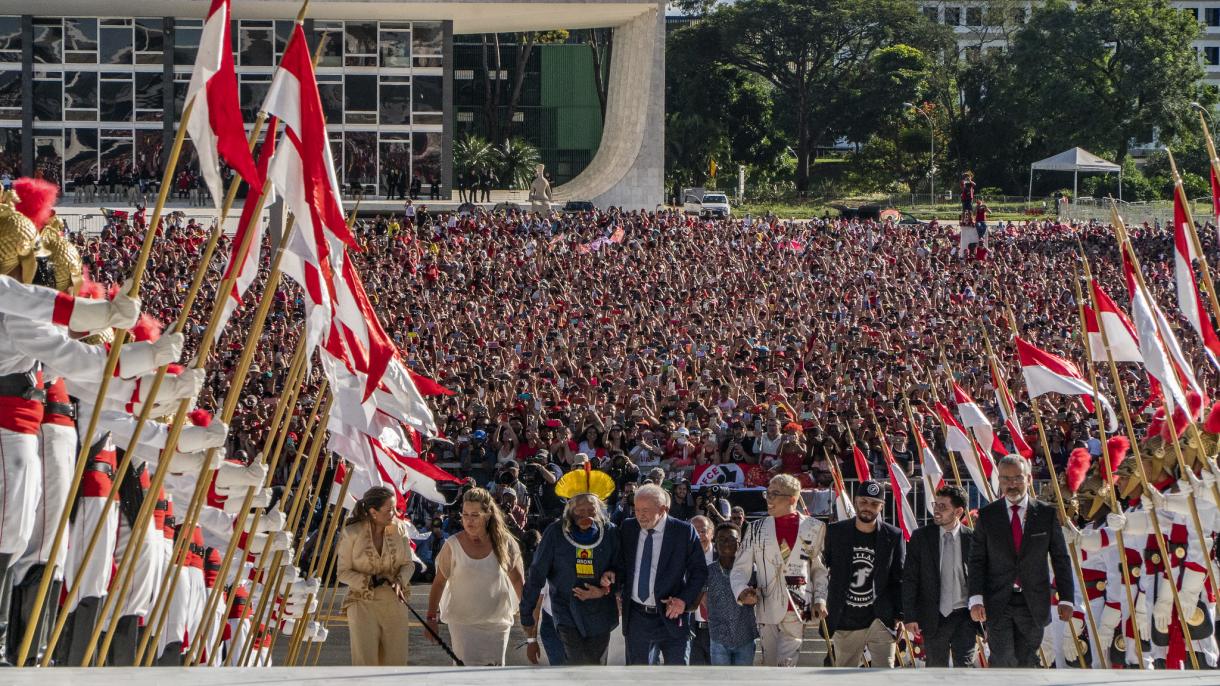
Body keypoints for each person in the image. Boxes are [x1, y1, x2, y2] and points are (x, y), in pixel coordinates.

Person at [969, 455, 1074, 668]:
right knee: (1003, 658)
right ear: (999, 480)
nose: (1012, 484)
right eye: (1006, 479)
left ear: (1028, 478)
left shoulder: (1046, 514)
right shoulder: (988, 515)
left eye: (1017, 478)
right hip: (998, 601)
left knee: (1027, 659)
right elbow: (977, 560)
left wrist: (1066, 598)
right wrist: (976, 598)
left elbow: (1060, 558)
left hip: (1033, 601)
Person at [520, 468, 619, 665]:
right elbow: (537, 574)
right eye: (580, 510)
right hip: (566, 610)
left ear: (599, 508)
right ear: (570, 510)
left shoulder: (610, 533)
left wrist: (604, 587)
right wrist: (526, 612)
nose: (586, 514)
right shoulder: (555, 533)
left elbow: (621, 569)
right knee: (577, 663)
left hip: (600, 612)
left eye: (591, 509)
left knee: (595, 667)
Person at [731, 474, 828, 667]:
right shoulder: (755, 529)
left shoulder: (815, 528)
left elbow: (820, 569)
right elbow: (739, 568)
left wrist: (820, 598)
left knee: (786, 666)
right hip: (767, 607)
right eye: (767, 493)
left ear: (792, 499)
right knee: (769, 664)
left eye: (774, 494)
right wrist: (742, 591)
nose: (769, 499)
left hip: (798, 607)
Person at [608, 483, 708, 665]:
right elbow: (620, 565)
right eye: (637, 509)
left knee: (676, 675)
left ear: (663, 509)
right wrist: (613, 582)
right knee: (638, 678)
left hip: (672, 615)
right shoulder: (629, 528)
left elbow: (699, 571)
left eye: (646, 510)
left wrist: (683, 600)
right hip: (638, 618)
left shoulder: (683, 532)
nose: (640, 515)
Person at [426, 487, 524, 666]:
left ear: (487, 515)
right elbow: (439, 582)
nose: (469, 521)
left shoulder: (505, 543)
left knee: (494, 677)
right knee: (465, 677)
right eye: (465, 515)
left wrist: (528, 617)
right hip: (462, 624)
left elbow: (517, 581)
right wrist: (431, 617)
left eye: (475, 515)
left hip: (497, 623)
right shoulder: (452, 545)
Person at [820, 480, 905, 667]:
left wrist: (899, 615)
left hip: (881, 619)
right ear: (856, 501)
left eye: (874, 504)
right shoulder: (835, 532)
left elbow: (898, 578)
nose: (868, 507)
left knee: (884, 675)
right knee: (844, 675)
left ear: (882, 506)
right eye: (864, 502)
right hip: (846, 617)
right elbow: (820, 569)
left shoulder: (894, 535)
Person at [335, 486, 416, 666]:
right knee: (365, 663)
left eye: (395, 509)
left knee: (396, 664)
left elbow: (408, 564)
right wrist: (369, 581)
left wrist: (400, 581)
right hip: (362, 604)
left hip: (395, 603)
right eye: (389, 510)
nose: (395, 513)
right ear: (373, 512)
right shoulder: (352, 532)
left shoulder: (400, 529)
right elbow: (342, 572)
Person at [902, 485, 978, 667]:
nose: (936, 510)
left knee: (965, 669)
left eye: (943, 506)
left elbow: (982, 578)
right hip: (933, 617)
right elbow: (910, 579)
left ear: (958, 511)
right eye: (936, 504)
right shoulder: (921, 537)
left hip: (964, 617)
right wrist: (910, 616)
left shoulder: (973, 539)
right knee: (935, 670)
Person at [688, 515, 715, 664]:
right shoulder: (683, 557)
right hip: (692, 630)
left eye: (703, 531)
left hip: (719, 630)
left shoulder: (724, 556)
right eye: (694, 531)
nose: (699, 535)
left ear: (712, 533)